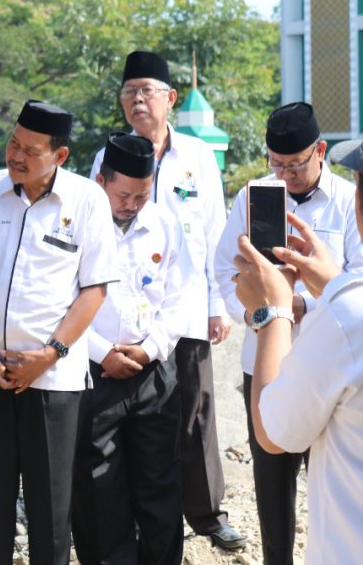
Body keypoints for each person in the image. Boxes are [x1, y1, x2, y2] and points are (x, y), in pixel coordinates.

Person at [89, 51, 244, 550]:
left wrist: (218, 302)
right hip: (123, 316)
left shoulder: (196, 156)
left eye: (147, 90)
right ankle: (139, 511)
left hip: (186, 303)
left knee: (193, 409)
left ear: (170, 99)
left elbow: (216, 231)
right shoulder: (107, 156)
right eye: (129, 91)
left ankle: (205, 512)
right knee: (134, 415)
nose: (137, 99)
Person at [0, 100, 117, 565]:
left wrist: (51, 354)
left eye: (31, 150)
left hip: (53, 383)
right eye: (13, 142)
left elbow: (94, 290)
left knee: (49, 508)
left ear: (59, 156)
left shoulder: (87, 200)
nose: (16, 156)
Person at [213, 102, 363, 564]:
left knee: (333, 478)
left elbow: (355, 277)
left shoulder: (345, 196)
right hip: (267, 365)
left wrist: (291, 305)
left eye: (295, 164)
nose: (285, 174)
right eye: (275, 163)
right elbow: (223, 268)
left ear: (320, 151)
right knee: (271, 485)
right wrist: (254, 302)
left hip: (335, 370)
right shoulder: (252, 196)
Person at [72, 133, 195, 565]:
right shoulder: (76, 224)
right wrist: (102, 350)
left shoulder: (163, 223)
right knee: (98, 490)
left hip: (153, 372)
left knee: (160, 487)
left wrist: (150, 349)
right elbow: (59, 301)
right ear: (102, 181)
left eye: (141, 195)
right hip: (93, 373)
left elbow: (181, 297)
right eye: (123, 194)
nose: (131, 204)